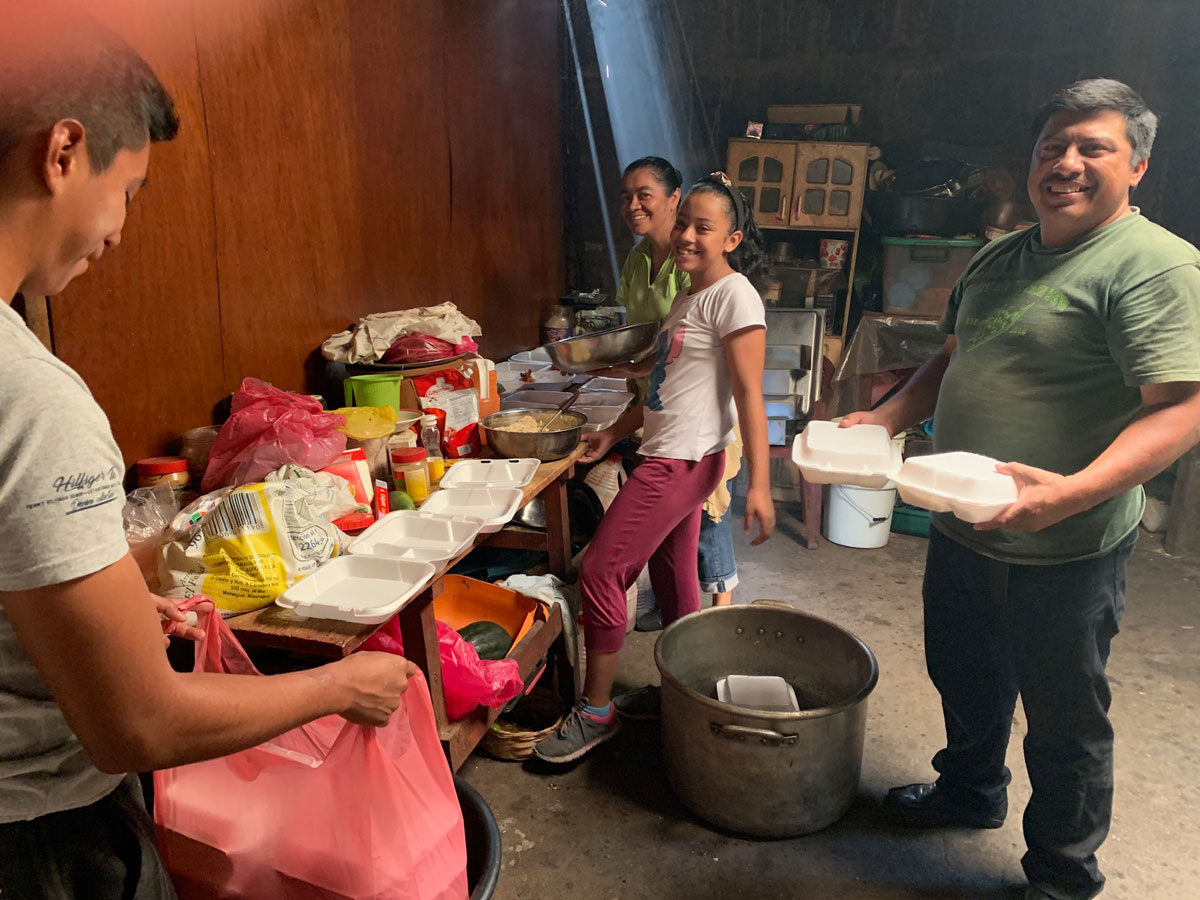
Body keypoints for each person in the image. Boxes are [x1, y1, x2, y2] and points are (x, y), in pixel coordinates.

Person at [0, 13, 417, 897]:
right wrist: (344, 687)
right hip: (36, 844)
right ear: (64, 152)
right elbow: (139, 724)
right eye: (131, 191)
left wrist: (112, 591)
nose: (117, 230)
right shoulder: (30, 398)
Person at [843, 79, 1200, 900]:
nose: (1065, 164)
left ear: (1137, 164)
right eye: (1051, 148)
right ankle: (971, 791)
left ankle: (1063, 874)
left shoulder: (1154, 266)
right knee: (964, 675)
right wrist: (887, 418)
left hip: (1067, 546)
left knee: (1064, 720)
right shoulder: (1001, 254)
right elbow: (955, 354)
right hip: (966, 525)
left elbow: (1180, 411)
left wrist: (1069, 495)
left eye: (1092, 148)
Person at [535, 173, 776, 763]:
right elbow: (665, 387)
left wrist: (761, 487)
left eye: (704, 227)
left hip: (683, 461)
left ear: (733, 238)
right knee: (673, 579)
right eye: (685, 223)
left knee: (600, 571)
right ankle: (683, 692)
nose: (688, 236)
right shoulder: (688, 298)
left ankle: (595, 713)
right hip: (667, 449)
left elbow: (750, 396)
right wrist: (613, 433)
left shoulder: (733, 295)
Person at [615, 157, 742, 623]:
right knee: (678, 541)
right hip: (656, 404)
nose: (633, 205)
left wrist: (764, 488)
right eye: (626, 196)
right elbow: (646, 334)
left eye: (644, 194)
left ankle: (716, 622)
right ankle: (684, 623)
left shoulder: (695, 264)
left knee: (708, 522)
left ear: (673, 199)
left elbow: (722, 359)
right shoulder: (637, 259)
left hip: (697, 416)